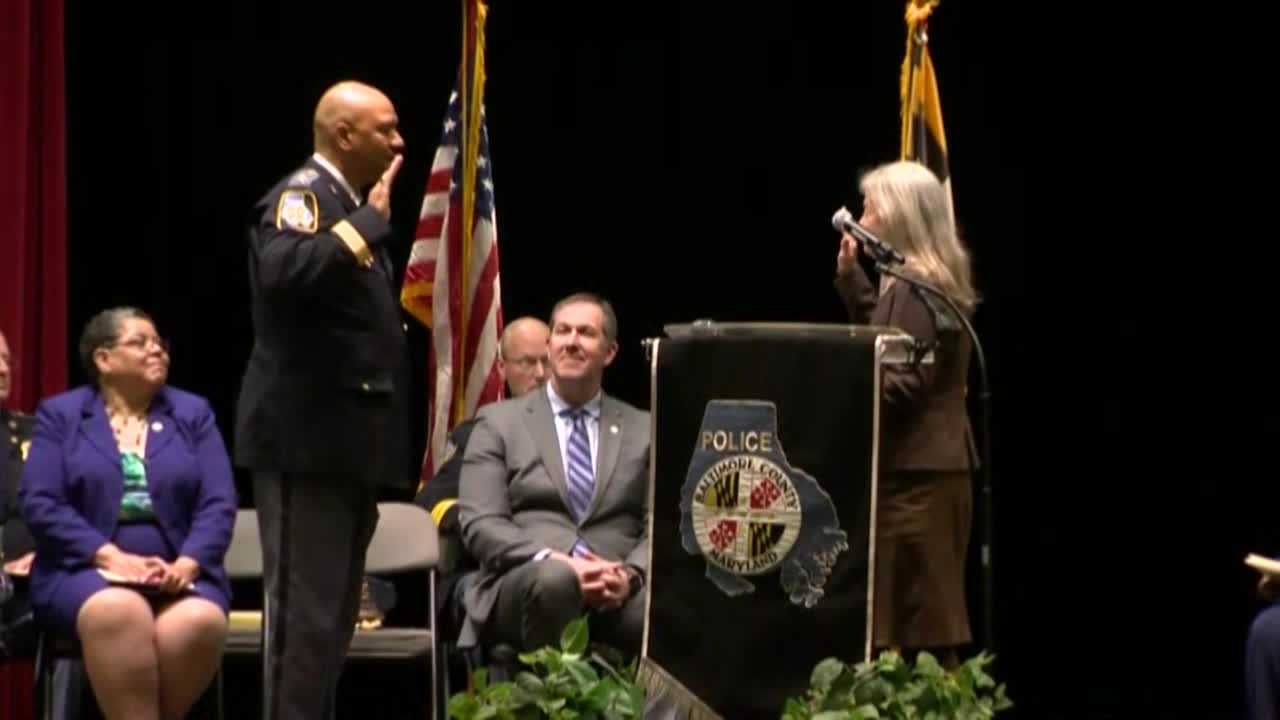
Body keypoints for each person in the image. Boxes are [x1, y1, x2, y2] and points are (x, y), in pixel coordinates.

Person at [234, 80, 410, 720]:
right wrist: (367, 227)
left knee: (333, 624)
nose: (399, 142)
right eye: (385, 129)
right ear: (343, 134)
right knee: (302, 629)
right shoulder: (302, 197)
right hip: (303, 447)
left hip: (341, 450)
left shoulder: (344, 201)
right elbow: (284, 277)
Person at [19, 307, 236, 720]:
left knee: (200, 622)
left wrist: (188, 564)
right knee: (119, 610)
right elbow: (41, 503)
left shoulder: (193, 414)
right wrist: (111, 558)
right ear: (103, 359)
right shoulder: (61, 416)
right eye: (141, 342)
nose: (157, 350)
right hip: (78, 572)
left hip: (180, 574)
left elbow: (218, 503)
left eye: (160, 344)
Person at [832, 160, 979, 666]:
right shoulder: (907, 279)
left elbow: (905, 381)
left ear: (899, 214)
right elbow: (888, 345)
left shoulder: (920, 285)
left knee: (926, 623)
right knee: (906, 619)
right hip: (917, 475)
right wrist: (854, 282)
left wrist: (837, 383)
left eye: (871, 205)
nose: (862, 212)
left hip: (921, 481)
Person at [458, 293, 649, 655]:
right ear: (549, 346)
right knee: (557, 582)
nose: (572, 341)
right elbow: (481, 524)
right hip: (527, 577)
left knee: (670, 610)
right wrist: (557, 560)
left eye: (586, 332)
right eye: (563, 331)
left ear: (609, 352)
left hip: (617, 584)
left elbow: (661, 526)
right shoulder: (499, 423)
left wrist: (630, 575)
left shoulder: (644, 429)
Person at [415, 316, 552, 532]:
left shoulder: (587, 425)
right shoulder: (485, 434)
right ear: (501, 368)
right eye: (527, 362)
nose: (540, 374)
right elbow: (432, 499)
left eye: (547, 361)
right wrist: (482, 522)